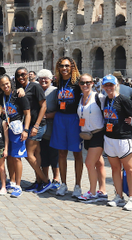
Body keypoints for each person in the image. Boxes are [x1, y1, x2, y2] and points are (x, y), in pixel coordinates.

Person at [101, 75, 132, 211]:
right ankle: (118, 196)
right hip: (110, 138)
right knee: (115, 169)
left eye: (110, 85)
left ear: (116, 85)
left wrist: (131, 131)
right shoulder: (106, 99)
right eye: (106, 85)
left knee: (129, 169)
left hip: (124, 139)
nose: (108, 88)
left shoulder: (123, 99)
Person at [15, 67, 54, 194]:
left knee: (28, 154)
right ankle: (39, 182)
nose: (21, 77)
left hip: (38, 125)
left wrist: (36, 125)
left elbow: (44, 105)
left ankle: (46, 181)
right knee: (37, 154)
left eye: (23, 74)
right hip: (30, 124)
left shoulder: (35, 86)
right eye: (18, 75)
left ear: (28, 75)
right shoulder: (20, 88)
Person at [50, 57, 84, 197]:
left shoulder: (78, 82)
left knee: (77, 153)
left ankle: (77, 186)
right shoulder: (57, 81)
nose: (64, 68)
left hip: (74, 119)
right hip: (60, 118)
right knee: (62, 153)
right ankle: (63, 184)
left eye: (66, 66)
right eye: (61, 66)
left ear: (72, 67)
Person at [0, 74, 30, 198]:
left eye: (7, 83)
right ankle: (11, 181)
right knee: (9, 156)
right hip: (6, 129)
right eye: (3, 84)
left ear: (10, 83)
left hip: (17, 130)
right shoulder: (1, 97)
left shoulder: (19, 95)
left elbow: (28, 114)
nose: (6, 86)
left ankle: (18, 185)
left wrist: (26, 130)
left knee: (17, 157)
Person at [76, 73, 107, 202]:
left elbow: (114, 107)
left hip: (98, 134)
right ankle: (103, 191)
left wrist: (127, 117)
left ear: (93, 83)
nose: (85, 85)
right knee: (99, 162)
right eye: (82, 83)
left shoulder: (99, 97)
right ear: (79, 84)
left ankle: (92, 192)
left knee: (89, 163)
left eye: (88, 82)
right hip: (86, 135)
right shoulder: (80, 98)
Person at [36, 69, 61, 190]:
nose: (44, 80)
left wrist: (45, 116)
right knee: (43, 154)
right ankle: (45, 178)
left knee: (54, 155)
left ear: (51, 80)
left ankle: (56, 178)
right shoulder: (37, 90)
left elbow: (60, 110)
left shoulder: (55, 91)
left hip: (52, 127)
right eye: (41, 78)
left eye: (46, 78)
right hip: (41, 129)